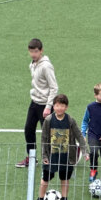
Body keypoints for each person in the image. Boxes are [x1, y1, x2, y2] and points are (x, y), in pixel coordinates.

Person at [37, 93, 86, 200]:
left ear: (66, 107)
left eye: (62, 105)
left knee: (65, 178)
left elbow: (79, 135)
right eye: (57, 105)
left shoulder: (70, 120)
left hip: (67, 156)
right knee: (47, 177)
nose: (59, 108)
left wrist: (85, 151)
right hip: (51, 156)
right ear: (53, 106)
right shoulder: (48, 120)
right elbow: (43, 139)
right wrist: (44, 155)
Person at [16, 39, 59, 169]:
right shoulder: (32, 64)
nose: (33, 54)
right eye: (31, 51)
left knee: (49, 135)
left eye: (36, 51)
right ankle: (32, 158)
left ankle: (54, 159)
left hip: (45, 104)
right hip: (34, 102)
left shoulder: (46, 66)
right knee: (29, 129)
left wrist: (48, 106)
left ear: (41, 50)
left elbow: (54, 87)